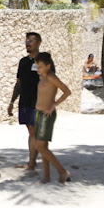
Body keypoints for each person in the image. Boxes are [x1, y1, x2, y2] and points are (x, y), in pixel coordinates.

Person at [34, 52, 71, 184]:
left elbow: (67, 91)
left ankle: (62, 172)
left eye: (40, 66)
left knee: (40, 147)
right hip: (38, 113)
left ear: (48, 66)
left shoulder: (51, 77)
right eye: (36, 65)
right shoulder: (41, 77)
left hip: (46, 115)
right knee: (43, 146)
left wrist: (53, 106)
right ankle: (46, 176)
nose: (37, 68)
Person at [8, 32, 42, 171]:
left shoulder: (44, 60)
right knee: (31, 131)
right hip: (24, 102)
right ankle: (32, 161)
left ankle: (32, 163)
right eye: (26, 41)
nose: (27, 43)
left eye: (31, 41)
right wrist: (11, 102)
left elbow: (51, 81)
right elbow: (19, 83)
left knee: (34, 132)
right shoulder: (23, 62)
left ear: (39, 43)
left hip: (38, 102)